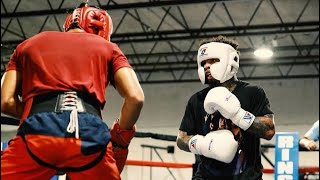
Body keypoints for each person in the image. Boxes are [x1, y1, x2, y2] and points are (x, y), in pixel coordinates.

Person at [1, 3, 144, 180]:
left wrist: (42, 113)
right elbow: (136, 98)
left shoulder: (26, 46)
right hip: (89, 135)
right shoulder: (109, 48)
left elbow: (5, 102)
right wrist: (121, 137)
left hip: (37, 132)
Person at [176, 35, 275, 180]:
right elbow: (181, 139)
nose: (206, 66)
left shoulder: (253, 92)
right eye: (203, 63)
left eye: (213, 60)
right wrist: (204, 145)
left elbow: (269, 131)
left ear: (231, 60)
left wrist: (238, 114)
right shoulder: (196, 100)